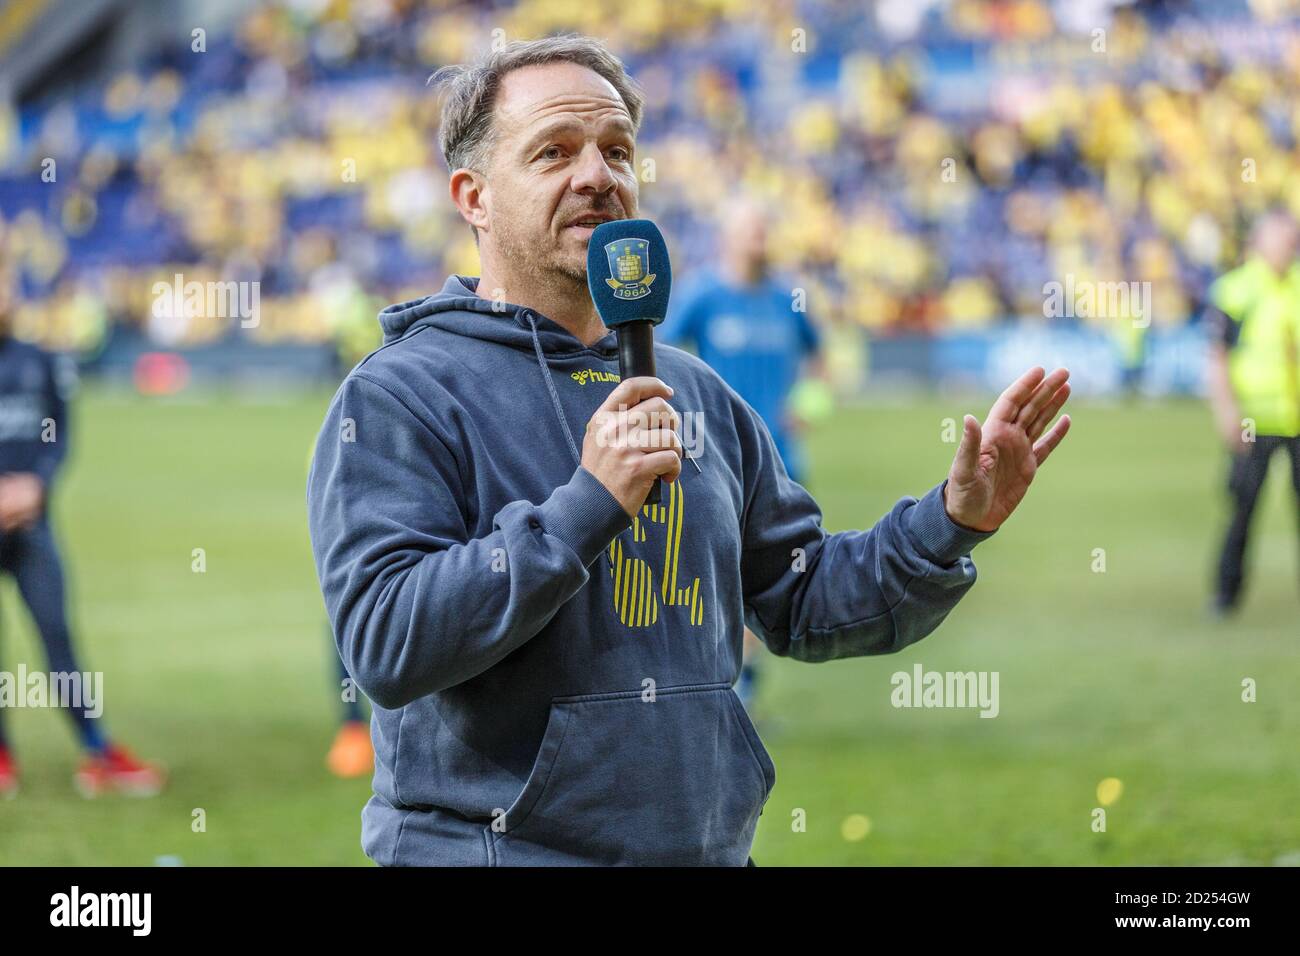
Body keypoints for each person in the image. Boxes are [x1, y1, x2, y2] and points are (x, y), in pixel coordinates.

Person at [306, 36, 1071, 866]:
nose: (597, 174)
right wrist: (583, 507)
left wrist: (950, 522)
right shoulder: (401, 396)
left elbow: (803, 599)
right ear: (474, 197)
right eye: (554, 152)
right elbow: (384, 643)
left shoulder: (695, 391)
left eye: (618, 150)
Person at [0, 267, 165, 798]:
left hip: (33, 529)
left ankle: (97, 751)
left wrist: (37, 489)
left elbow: (60, 436)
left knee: (59, 640)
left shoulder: (40, 360)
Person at [662, 198, 828, 709]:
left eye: (764, 228)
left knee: (774, 575)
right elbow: (659, 353)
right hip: (717, 461)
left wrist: (807, 402)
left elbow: (819, 358)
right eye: (750, 229)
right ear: (726, 237)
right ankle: (729, 680)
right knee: (720, 571)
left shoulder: (787, 299)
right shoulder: (702, 295)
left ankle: (741, 679)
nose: (760, 238)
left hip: (782, 460)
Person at [1206, 211, 1300, 615]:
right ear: (1261, 243)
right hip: (1253, 422)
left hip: (1296, 419)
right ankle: (1226, 594)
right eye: (1283, 239)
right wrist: (1227, 411)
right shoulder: (1235, 291)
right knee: (1243, 509)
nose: (1290, 246)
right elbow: (1218, 357)